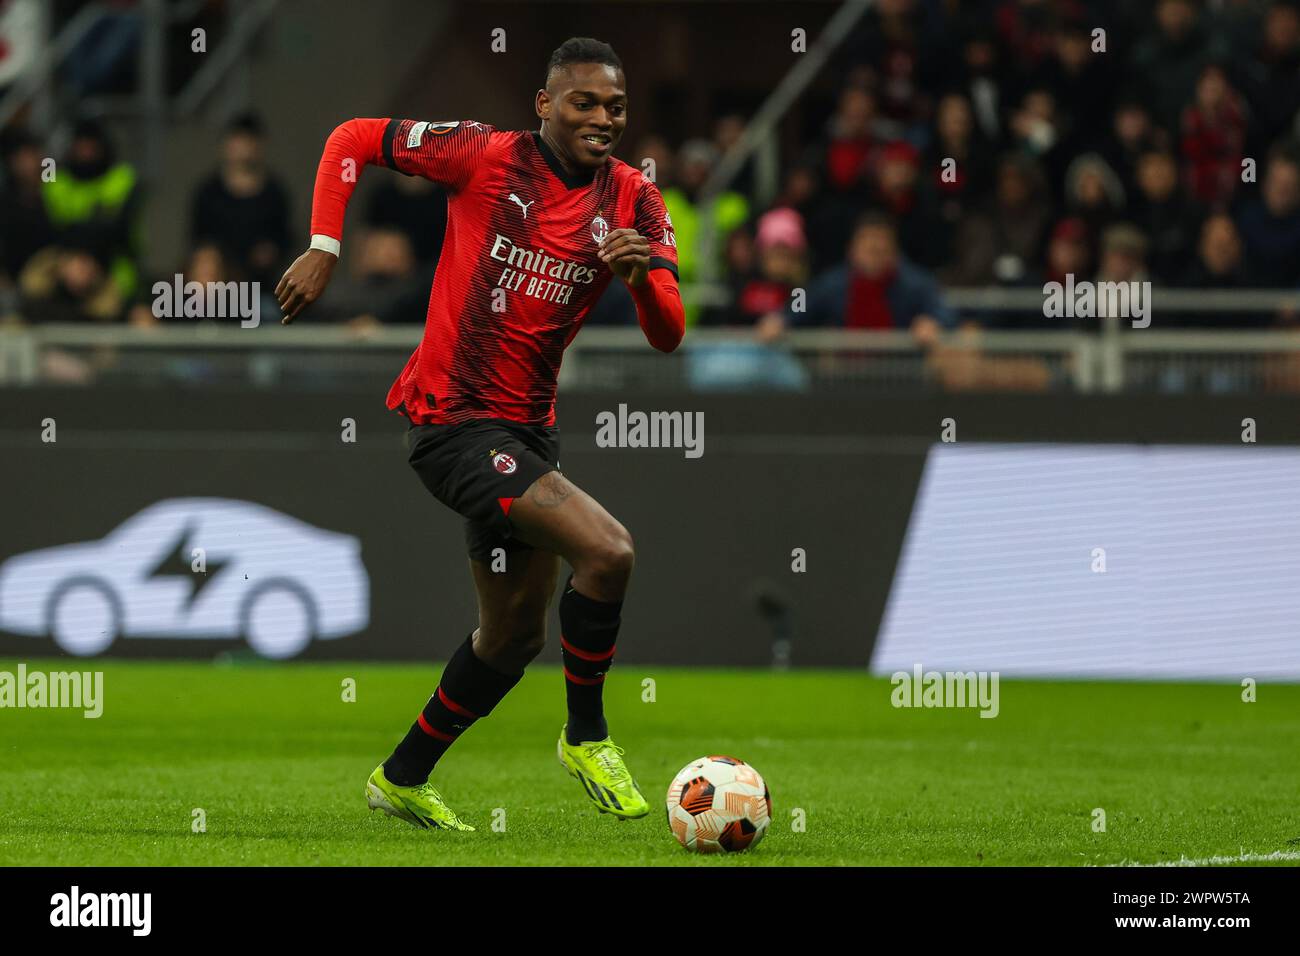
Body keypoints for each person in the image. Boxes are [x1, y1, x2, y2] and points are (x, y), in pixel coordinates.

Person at [274, 37, 684, 831]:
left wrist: (639, 283)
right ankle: (587, 736)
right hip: (452, 424)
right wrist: (326, 247)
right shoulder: (485, 156)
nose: (604, 119)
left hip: (528, 435)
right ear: (544, 104)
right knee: (608, 551)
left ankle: (401, 778)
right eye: (585, 102)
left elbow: (669, 335)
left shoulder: (636, 199)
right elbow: (352, 137)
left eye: (616, 107)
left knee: (510, 636)